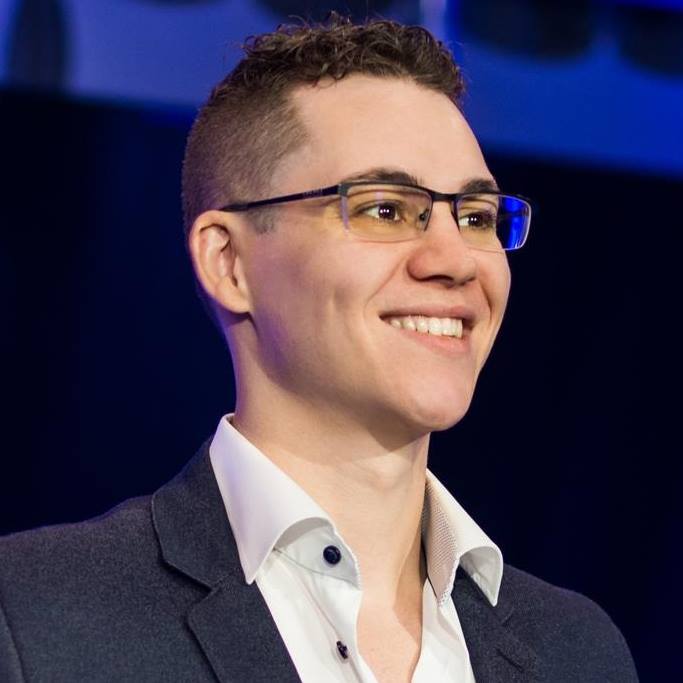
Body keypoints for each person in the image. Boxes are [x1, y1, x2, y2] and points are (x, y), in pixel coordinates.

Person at [0, 14, 638, 683]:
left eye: (476, 217)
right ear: (229, 263)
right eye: (385, 209)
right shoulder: (38, 618)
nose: (456, 259)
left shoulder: (576, 651)